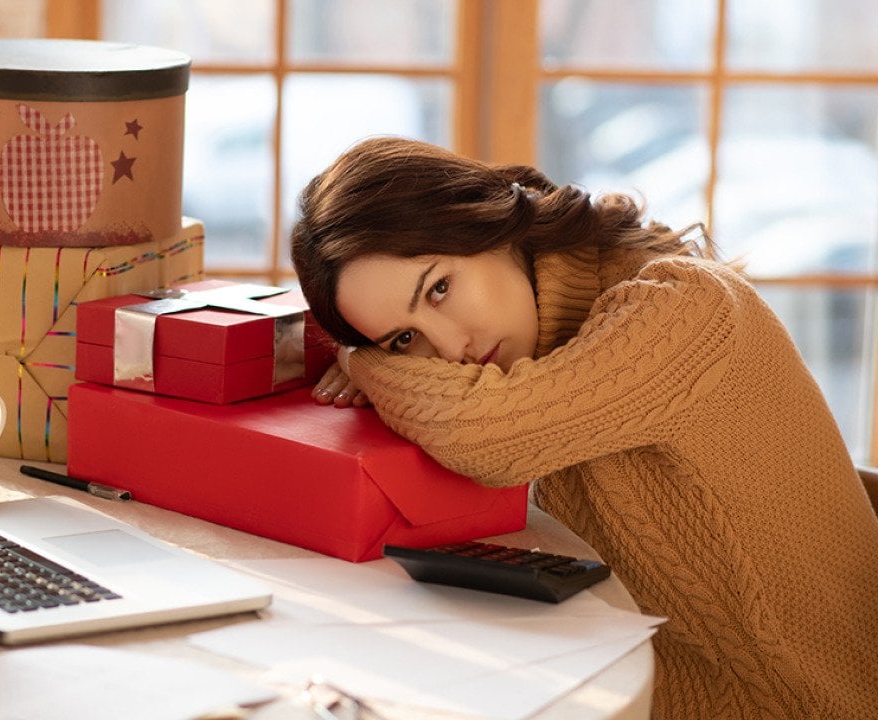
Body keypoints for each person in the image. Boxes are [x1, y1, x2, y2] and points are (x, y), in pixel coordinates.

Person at [291, 136, 878, 719]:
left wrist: (365, 361)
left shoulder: (683, 307)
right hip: (637, 680)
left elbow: (485, 436)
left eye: (440, 289)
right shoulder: (538, 354)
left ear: (488, 220)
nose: (450, 351)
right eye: (404, 339)